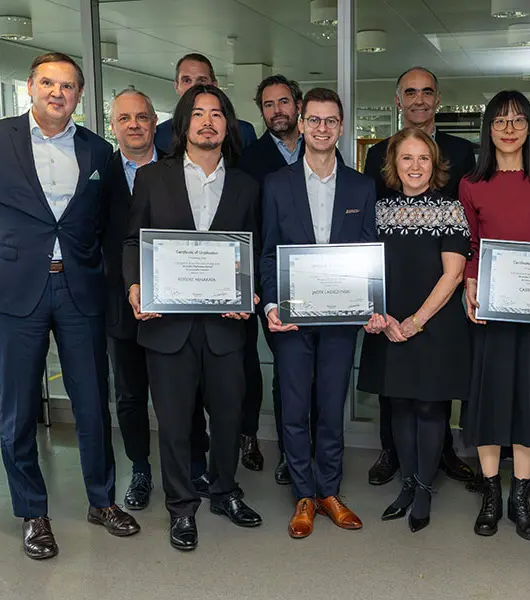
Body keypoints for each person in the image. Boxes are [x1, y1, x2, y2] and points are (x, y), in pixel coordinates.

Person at [0, 52, 140, 560]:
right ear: (31, 87)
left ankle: (101, 501)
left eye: (68, 86)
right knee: (17, 408)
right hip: (16, 291)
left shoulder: (99, 152)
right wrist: (2, 259)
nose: (58, 93)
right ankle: (32, 513)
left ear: (80, 95)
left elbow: (107, 226)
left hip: (80, 291)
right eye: (48, 83)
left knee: (92, 405)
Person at [122, 84, 263, 551]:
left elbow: (254, 250)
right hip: (168, 327)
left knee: (227, 418)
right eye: (198, 113)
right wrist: (135, 285)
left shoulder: (246, 185)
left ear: (228, 125)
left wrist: (251, 289)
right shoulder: (152, 178)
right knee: (176, 423)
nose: (207, 121)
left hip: (226, 325)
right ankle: (181, 508)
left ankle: (224, 491)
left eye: (217, 114)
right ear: (183, 125)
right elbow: (131, 242)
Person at [260, 88, 385, 539]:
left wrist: (372, 306)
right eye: (314, 120)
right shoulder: (276, 184)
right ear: (301, 124)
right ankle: (304, 496)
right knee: (294, 409)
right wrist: (272, 304)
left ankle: (329, 491)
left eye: (331, 121)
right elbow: (268, 252)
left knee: (331, 406)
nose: (322, 128)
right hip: (292, 316)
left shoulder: (360, 187)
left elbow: (370, 252)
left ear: (341, 127)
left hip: (339, 318)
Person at [460, 90, 530, 542]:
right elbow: (470, 247)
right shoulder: (470, 184)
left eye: (518, 121)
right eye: (500, 121)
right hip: (491, 308)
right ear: (488, 128)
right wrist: (469, 286)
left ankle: (520, 497)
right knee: (489, 401)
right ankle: (491, 494)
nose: (509, 129)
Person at [362, 66, 476, 487]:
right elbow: (367, 247)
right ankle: (394, 457)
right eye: (409, 92)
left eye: (427, 92)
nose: (419, 99)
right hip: (391, 301)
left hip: (434, 300)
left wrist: (420, 317)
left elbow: (461, 236)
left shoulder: (462, 154)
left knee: (431, 401)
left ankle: (436, 462)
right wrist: (379, 312)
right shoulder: (377, 159)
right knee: (397, 398)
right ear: (398, 100)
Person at [100, 89, 209, 510]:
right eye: (124, 118)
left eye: (142, 117)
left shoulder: (178, 169)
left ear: (155, 123)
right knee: (129, 395)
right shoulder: (97, 173)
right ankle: (142, 469)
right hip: (121, 305)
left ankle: (194, 463)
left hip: (178, 305)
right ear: (113, 125)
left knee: (187, 392)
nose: (134, 125)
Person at [237, 75, 306, 484]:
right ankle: (288, 450)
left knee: (312, 369)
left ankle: (309, 443)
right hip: (272, 280)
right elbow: (249, 226)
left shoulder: (321, 147)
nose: (277, 110)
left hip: (318, 281)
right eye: (268, 104)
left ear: (297, 105)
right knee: (285, 368)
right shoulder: (250, 160)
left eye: (284, 102)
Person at [155, 53, 256, 153]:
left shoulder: (243, 132)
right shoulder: (160, 134)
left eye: (201, 80)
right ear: (176, 86)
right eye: (186, 80)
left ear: (214, 85)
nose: (194, 87)